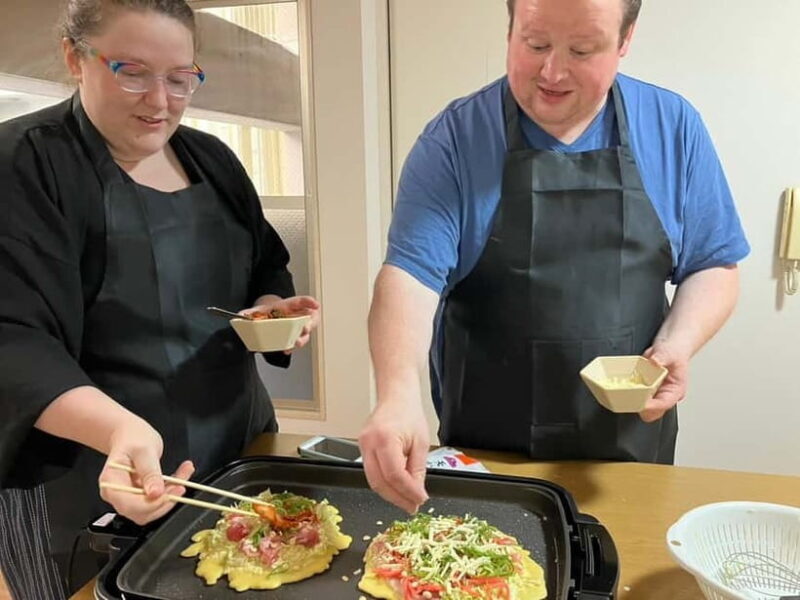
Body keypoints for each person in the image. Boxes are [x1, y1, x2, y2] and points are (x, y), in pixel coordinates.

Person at [359, 0, 750, 514]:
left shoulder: (672, 127)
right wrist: (396, 395)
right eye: (535, 43)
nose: (552, 71)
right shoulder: (456, 138)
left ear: (625, 40)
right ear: (510, 28)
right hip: (488, 456)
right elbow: (409, 276)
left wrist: (678, 344)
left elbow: (713, 264)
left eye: (582, 50)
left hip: (627, 459)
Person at [0, 1, 319, 597]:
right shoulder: (22, 162)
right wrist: (122, 433)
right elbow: (13, 337)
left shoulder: (213, 158)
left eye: (180, 79)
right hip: (90, 466)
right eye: (132, 72)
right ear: (75, 57)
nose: (159, 101)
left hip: (235, 447)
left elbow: (264, 263)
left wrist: (272, 309)